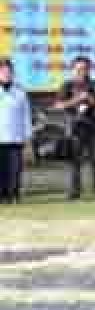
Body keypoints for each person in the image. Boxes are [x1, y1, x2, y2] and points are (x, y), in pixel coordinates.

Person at [54, 56, 95, 199]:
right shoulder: (67, 86)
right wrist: (77, 100)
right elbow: (58, 105)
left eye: (84, 68)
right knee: (74, 162)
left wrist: (92, 101)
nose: (81, 71)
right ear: (73, 69)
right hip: (75, 128)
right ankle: (74, 192)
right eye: (78, 69)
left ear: (89, 69)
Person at [0, 58, 32, 204]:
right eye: (3, 71)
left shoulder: (20, 92)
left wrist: (28, 137)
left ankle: (13, 196)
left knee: (15, 169)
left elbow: (26, 116)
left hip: (15, 137)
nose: (6, 74)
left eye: (9, 71)